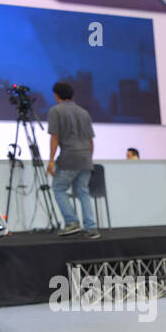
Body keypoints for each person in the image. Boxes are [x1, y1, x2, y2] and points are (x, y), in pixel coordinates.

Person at [46, 81, 98, 238]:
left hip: (69, 156)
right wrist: (88, 158)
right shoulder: (83, 112)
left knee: (58, 188)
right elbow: (90, 140)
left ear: (56, 95)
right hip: (86, 157)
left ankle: (71, 222)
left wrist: (51, 161)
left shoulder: (55, 111)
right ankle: (91, 227)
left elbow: (55, 137)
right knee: (83, 191)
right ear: (72, 95)